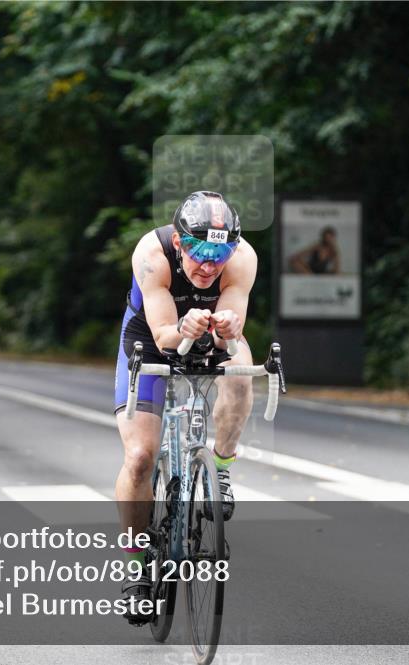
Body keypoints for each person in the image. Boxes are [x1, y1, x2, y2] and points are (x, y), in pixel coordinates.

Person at [113, 191, 257, 623]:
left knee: (242, 373)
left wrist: (226, 326)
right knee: (140, 457)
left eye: (219, 254)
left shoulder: (242, 258)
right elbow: (162, 335)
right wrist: (182, 326)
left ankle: (223, 467)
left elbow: (232, 322)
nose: (209, 265)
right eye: (198, 253)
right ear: (179, 243)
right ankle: (136, 565)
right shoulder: (151, 254)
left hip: (210, 332)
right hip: (151, 337)